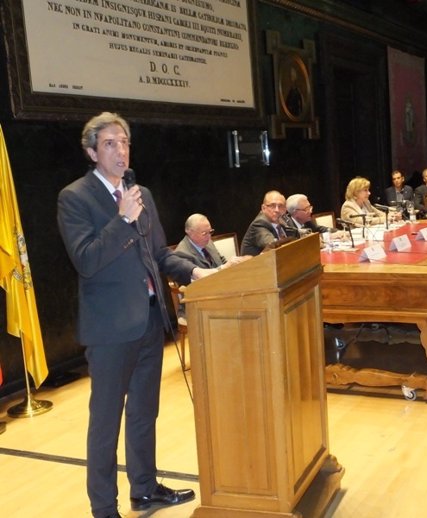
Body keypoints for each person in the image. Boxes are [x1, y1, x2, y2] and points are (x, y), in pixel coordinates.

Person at [57, 112, 213, 518]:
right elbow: (87, 260)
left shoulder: (139, 192)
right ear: (92, 152)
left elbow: (159, 253)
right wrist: (123, 218)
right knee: (105, 423)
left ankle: (144, 490)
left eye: (124, 142)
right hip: (110, 330)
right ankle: (104, 508)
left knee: (145, 411)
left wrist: (197, 271)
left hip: (148, 319)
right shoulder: (74, 198)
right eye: (109, 143)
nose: (120, 150)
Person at [240, 190, 292, 256]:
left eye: (280, 206)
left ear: (285, 209)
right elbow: (273, 244)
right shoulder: (259, 224)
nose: (277, 210)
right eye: (273, 206)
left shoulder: (284, 221)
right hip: (255, 264)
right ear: (263, 208)